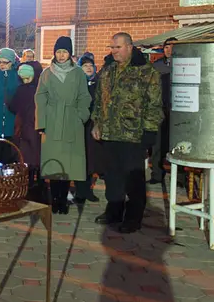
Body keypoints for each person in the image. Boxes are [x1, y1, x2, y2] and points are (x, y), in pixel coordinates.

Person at [92, 32, 162, 234]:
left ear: (130, 47)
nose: (113, 51)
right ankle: (114, 210)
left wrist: (149, 131)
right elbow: (99, 99)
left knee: (133, 178)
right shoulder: (107, 71)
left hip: (133, 135)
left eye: (118, 47)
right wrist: (96, 123)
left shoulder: (147, 72)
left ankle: (133, 217)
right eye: (111, 47)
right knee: (112, 177)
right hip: (110, 133)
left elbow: (155, 104)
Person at [35, 37, 92, 215]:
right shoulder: (46, 73)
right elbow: (40, 98)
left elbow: (84, 96)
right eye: (59, 52)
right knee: (54, 164)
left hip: (71, 121)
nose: (61, 55)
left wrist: (81, 116)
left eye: (65, 52)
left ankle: (63, 201)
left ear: (70, 53)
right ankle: (55, 199)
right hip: (52, 121)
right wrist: (41, 123)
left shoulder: (78, 73)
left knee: (67, 164)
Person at [9, 61, 43, 190]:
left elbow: (13, 106)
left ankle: (28, 185)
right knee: (36, 156)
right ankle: (38, 184)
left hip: (25, 127)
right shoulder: (40, 88)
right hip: (34, 127)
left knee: (27, 157)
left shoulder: (22, 89)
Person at [74, 53, 101, 203]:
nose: (89, 68)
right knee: (79, 159)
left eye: (91, 65)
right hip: (79, 125)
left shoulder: (98, 84)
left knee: (91, 160)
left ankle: (88, 189)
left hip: (92, 125)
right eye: (85, 66)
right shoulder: (77, 84)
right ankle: (80, 191)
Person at [150, 37, 177, 184]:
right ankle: (156, 174)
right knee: (157, 143)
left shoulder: (184, 64)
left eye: (172, 46)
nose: (169, 50)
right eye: (166, 47)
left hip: (177, 109)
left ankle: (179, 176)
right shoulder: (157, 66)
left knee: (177, 143)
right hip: (159, 108)